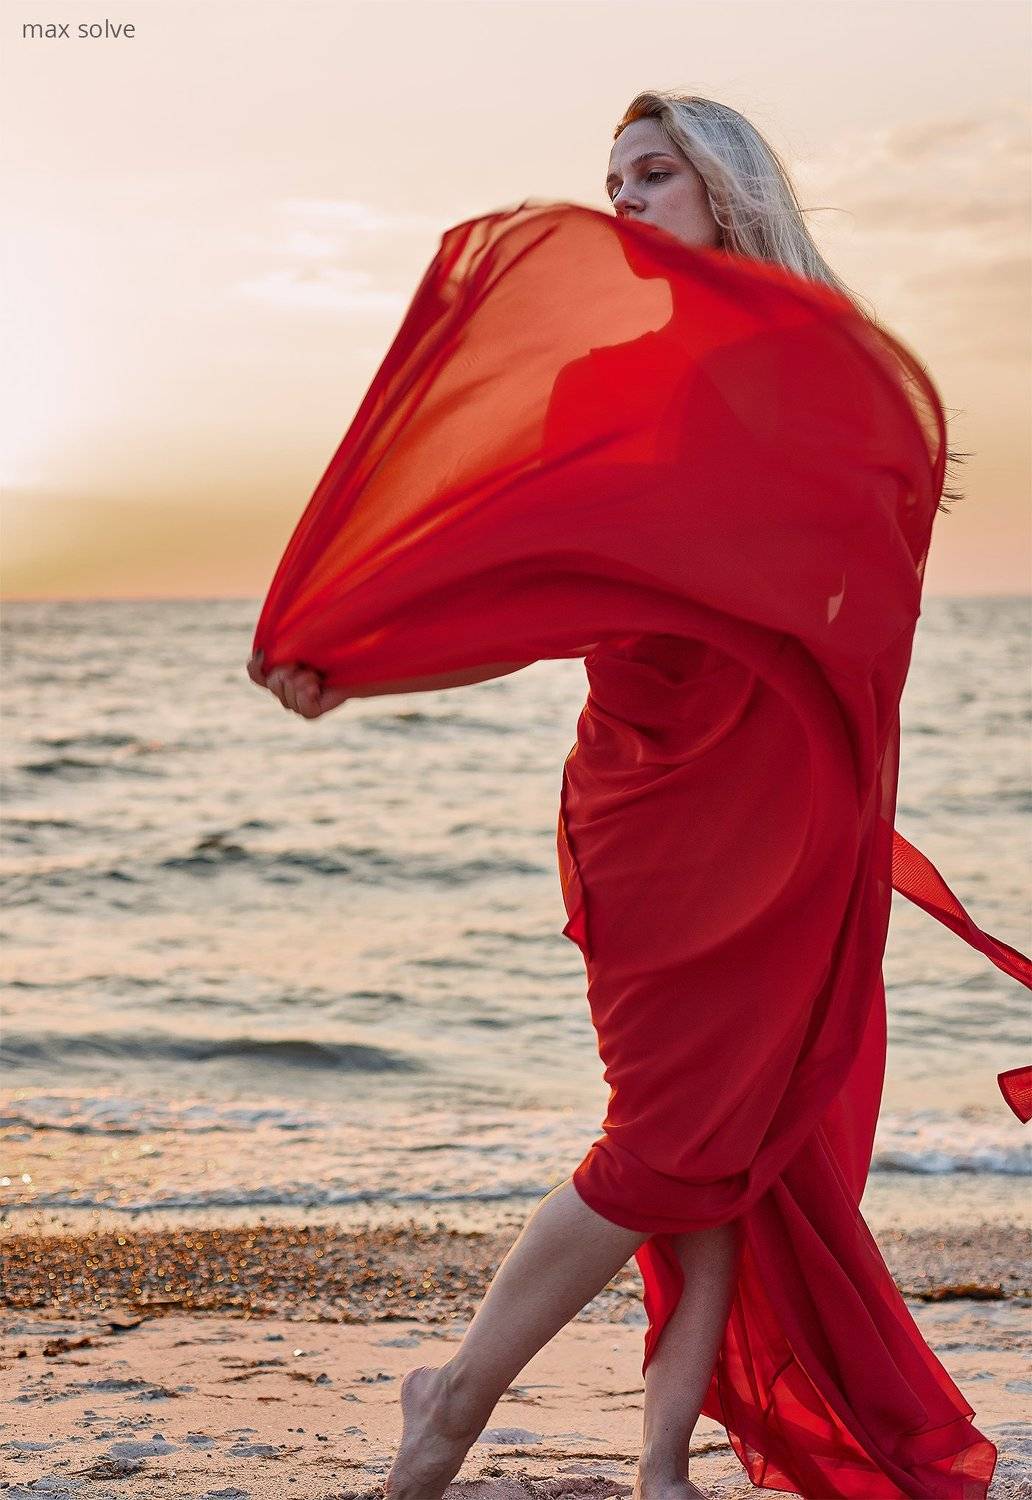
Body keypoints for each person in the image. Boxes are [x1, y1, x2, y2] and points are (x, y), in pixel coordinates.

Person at [247, 92, 1030, 1500]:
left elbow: (858, 604)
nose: (625, 197)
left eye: (652, 172)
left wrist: (842, 793)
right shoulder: (614, 381)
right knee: (673, 1135)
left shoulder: (827, 383)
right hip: (654, 799)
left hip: (785, 805)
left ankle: (666, 1460)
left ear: (729, 188)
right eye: (611, 179)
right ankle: (454, 1397)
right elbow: (541, 591)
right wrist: (363, 668)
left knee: (735, 1144)